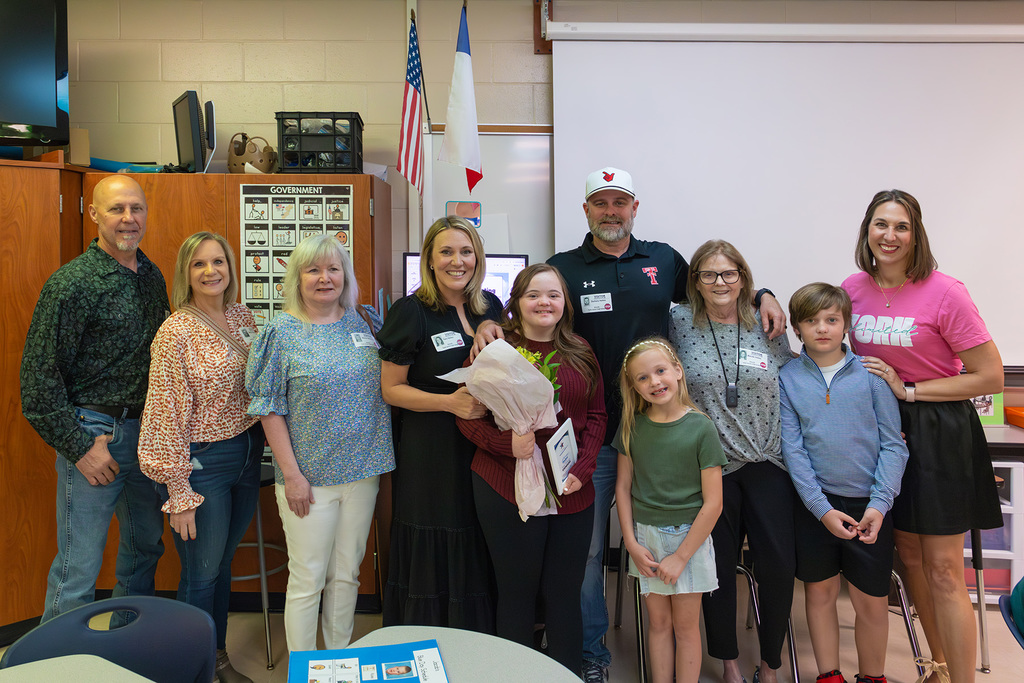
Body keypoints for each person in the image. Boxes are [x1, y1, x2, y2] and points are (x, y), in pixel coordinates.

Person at [475, 167, 786, 682]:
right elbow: (529, 305)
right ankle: (593, 655)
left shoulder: (663, 260)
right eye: (602, 203)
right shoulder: (564, 267)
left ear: (635, 208)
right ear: (587, 211)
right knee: (590, 552)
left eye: (621, 202)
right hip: (587, 439)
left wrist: (765, 293)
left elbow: (720, 285)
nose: (612, 211)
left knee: (673, 537)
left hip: (662, 434)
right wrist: (488, 317)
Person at [842, 190, 1003, 683]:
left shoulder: (945, 291)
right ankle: (937, 669)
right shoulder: (852, 288)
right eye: (880, 224)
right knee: (910, 560)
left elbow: (990, 376)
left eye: (901, 226)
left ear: (916, 235)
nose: (889, 236)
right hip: (885, 433)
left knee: (942, 570)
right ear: (866, 229)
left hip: (938, 431)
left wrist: (910, 390)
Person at [20, 174, 167, 622]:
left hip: (147, 435)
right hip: (94, 436)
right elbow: (38, 380)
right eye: (117, 209)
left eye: (136, 209)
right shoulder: (71, 284)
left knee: (146, 549)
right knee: (78, 567)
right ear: (94, 215)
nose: (128, 219)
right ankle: (57, 666)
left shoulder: (151, 275)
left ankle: (127, 645)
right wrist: (81, 448)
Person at [246, 234, 394, 651]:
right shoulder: (280, 331)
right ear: (297, 278)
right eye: (313, 270)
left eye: (333, 269)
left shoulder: (365, 321)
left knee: (348, 574)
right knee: (308, 577)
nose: (324, 278)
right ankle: (305, 671)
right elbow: (268, 407)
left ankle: (338, 664)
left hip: (363, 472)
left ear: (345, 275)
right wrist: (291, 476)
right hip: (307, 479)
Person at [456, 264, 606, 674]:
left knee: (563, 595)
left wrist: (586, 464)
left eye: (553, 295)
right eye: (534, 295)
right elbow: (467, 417)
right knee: (517, 593)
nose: (544, 302)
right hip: (505, 485)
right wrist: (506, 444)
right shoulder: (495, 352)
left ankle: (567, 674)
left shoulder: (581, 350)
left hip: (572, 488)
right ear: (516, 303)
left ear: (565, 303)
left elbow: (596, 414)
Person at [668, 239, 795, 683]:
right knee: (717, 568)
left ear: (744, 278)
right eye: (709, 274)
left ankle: (771, 662)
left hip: (768, 462)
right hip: (710, 467)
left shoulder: (766, 323)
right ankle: (728, 660)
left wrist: (767, 296)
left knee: (779, 565)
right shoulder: (677, 321)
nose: (720, 282)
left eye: (729, 273)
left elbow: (796, 377)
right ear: (695, 282)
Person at [138, 232, 262, 683]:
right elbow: (164, 412)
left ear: (230, 268)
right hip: (203, 463)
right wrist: (179, 488)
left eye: (219, 262)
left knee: (222, 565)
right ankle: (193, 669)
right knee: (202, 573)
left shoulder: (241, 315)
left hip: (249, 452)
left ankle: (217, 656)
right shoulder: (176, 331)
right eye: (199, 264)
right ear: (185, 273)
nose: (211, 272)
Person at [779, 283, 910, 683]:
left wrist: (879, 504)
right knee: (819, 594)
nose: (822, 328)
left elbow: (894, 446)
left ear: (846, 325)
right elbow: (793, 451)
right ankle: (828, 675)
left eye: (831, 320)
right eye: (811, 321)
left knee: (870, 600)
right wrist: (820, 509)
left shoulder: (870, 376)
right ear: (797, 329)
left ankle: (873, 676)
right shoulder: (787, 379)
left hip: (870, 506)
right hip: (816, 506)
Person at [377, 216, 501, 631]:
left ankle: (474, 642)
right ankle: (427, 638)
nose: (457, 261)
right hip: (430, 448)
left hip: (483, 447)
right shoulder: (411, 312)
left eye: (466, 251)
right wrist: (450, 404)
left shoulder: (489, 306)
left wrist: (486, 325)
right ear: (430, 260)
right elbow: (391, 390)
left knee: (476, 532)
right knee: (438, 530)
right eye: (446, 251)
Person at [614, 337, 725, 683]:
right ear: (633, 386)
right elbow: (622, 487)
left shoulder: (701, 427)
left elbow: (714, 502)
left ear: (677, 371)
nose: (654, 382)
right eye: (642, 378)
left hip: (689, 541)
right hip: (646, 540)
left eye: (660, 371)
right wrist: (631, 543)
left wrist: (681, 557)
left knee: (685, 627)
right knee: (658, 624)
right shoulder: (632, 427)